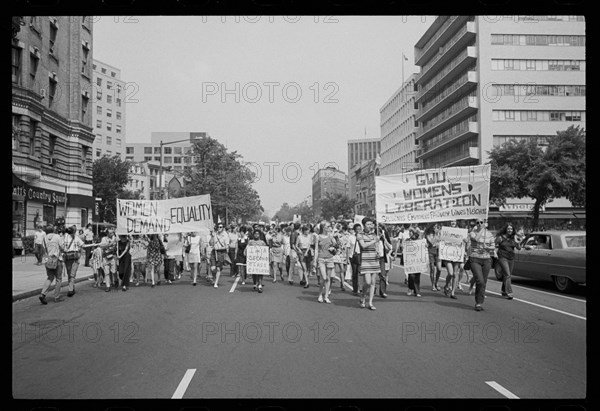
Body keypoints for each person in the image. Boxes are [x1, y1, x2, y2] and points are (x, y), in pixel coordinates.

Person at [469, 218, 496, 311]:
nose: (480, 224)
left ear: (484, 222)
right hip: (475, 258)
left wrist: (488, 247)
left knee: (483, 282)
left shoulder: (489, 234)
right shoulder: (473, 232)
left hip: (486, 259)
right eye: (478, 222)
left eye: (481, 222)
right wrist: (482, 229)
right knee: (480, 280)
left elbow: (493, 246)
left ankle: (479, 303)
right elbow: (476, 238)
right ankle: (478, 300)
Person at [495, 223, 524, 300]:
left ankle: (503, 290)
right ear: (506, 229)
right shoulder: (501, 237)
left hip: (511, 258)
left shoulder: (514, 237)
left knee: (507, 275)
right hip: (502, 257)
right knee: (507, 274)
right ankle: (509, 292)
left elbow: (519, 248)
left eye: (511, 229)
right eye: (508, 229)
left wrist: (519, 242)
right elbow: (494, 244)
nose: (510, 230)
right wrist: (495, 253)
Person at [356, 217, 380, 310]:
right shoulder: (360, 235)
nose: (370, 226)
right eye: (368, 224)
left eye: (371, 224)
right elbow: (363, 245)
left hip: (374, 259)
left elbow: (376, 246)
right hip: (365, 260)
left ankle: (370, 302)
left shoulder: (374, 234)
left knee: (373, 282)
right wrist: (374, 240)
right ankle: (363, 296)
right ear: (363, 225)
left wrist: (377, 251)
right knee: (368, 282)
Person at [39, 225, 65, 304]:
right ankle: (56, 296)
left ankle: (43, 294)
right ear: (53, 230)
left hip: (48, 260)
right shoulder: (57, 237)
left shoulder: (44, 238)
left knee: (50, 277)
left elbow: (43, 250)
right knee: (58, 278)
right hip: (57, 260)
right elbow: (62, 247)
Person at [314, 221, 337, 304]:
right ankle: (320, 294)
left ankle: (326, 296)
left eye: (329, 226)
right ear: (323, 227)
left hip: (330, 258)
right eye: (327, 226)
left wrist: (333, 247)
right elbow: (316, 249)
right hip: (321, 259)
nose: (329, 228)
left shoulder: (331, 236)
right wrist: (314, 261)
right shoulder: (318, 237)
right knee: (323, 278)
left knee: (328, 278)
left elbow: (336, 245)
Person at [63, 225, 85, 297]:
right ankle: (70, 289)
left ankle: (71, 288)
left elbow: (61, 246)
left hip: (67, 258)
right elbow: (82, 245)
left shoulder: (65, 237)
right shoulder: (76, 238)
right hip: (74, 257)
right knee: (72, 274)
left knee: (70, 274)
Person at [210, 223, 230, 288]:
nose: (219, 228)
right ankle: (213, 277)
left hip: (221, 253)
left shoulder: (225, 235)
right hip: (214, 252)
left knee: (218, 269)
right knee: (213, 268)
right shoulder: (214, 234)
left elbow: (226, 247)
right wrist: (212, 236)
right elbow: (210, 243)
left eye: (220, 227)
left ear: (223, 228)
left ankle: (216, 282)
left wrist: (219, 248)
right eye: (218, 227)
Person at [405, 226, 423, 297]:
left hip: (418, 261)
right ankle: (410, 287)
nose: (410, 233)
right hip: (410, 261)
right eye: (409, 231)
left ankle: (417, 291)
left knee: (417, 276)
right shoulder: (407, 240)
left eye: (411, 231)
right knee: (411, 276)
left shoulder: (419, 240)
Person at [377, 223, 393, 298]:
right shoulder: (373, 240)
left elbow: (390, 247)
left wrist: (384, 239)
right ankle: (372, 289)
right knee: (372, 276)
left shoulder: (383, 240)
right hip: (374, 259)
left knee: (383, 275)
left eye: (380, 233)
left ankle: (382, 292)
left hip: (382, 259)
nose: (380, 235)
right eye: (378, 233)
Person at [425, 222, 443, 291]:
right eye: (434, 226)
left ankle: (436, 282)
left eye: (437, 226)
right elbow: (432, 242)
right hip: (431, 252)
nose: (436, 227)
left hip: (438, 252)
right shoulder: (428, 234)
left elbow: (442, 241)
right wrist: (435, 234)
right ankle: (433, 284)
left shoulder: (440, 233)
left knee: (439, 269)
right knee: (432, 269)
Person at [295, 224, 313, 289]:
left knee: (308, 268)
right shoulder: (299, 237)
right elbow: (296, 245)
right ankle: (307, 283)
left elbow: (309, 245)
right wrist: (299, 250)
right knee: (304, 268)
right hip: (301, 252)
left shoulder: (310, 236)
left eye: (308, 230)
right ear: (304, 230)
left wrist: (307, 252)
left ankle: (304, 279)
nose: (308, 231)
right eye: (307, 230)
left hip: (308, 252)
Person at [349, 223, 362, 295]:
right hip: (353, 256)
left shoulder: (363, 237)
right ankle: (355, 288)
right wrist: (348, 258)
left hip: (361, 256)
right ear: (354, 230)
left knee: (360, 273)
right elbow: (348, 247)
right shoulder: (351, 237)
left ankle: (360, 289)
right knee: (355, 273)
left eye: (360, 229)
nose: (358, 231)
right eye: (357, 229)